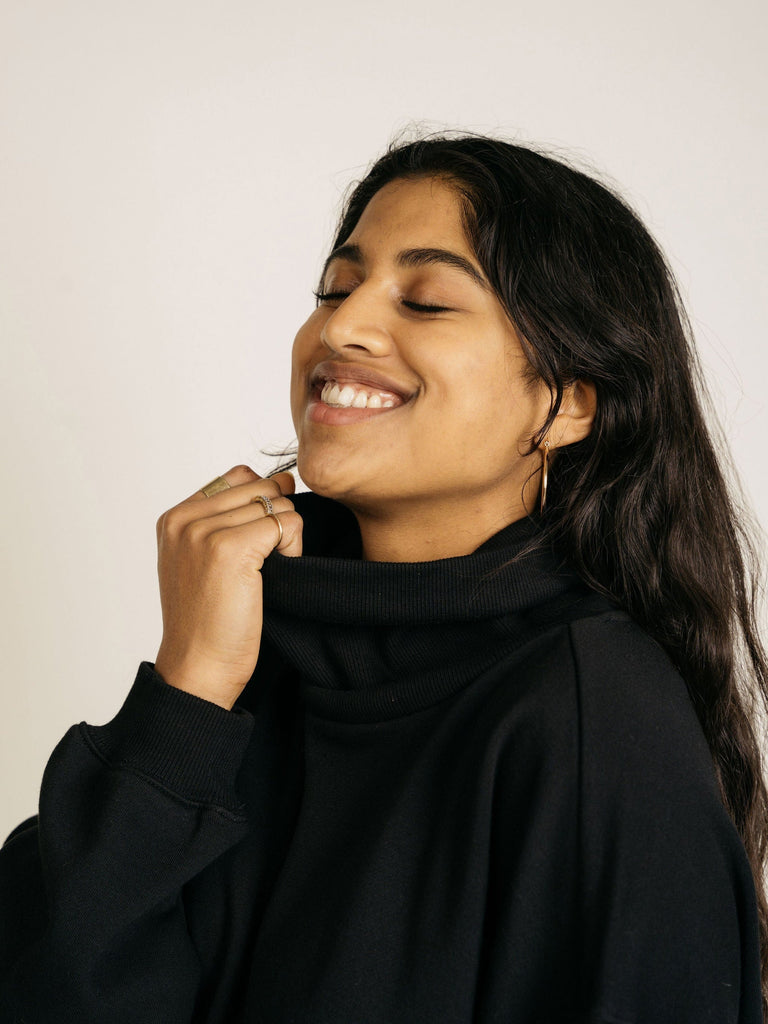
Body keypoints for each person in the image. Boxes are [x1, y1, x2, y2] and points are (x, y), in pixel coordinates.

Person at [1, 133, 766, 1023]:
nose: (340, 328)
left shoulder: (593, 713)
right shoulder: (250, 652)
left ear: (568, 403)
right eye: (335, 289)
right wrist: (187, 690)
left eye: (426, 301)